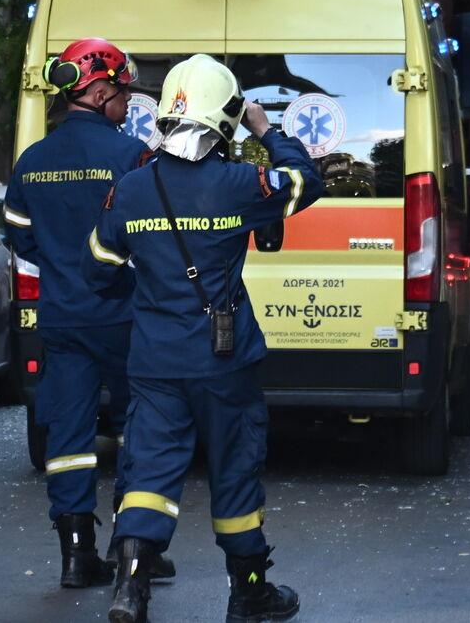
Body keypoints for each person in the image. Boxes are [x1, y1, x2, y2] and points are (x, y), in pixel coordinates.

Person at [83, 54, 322, 623]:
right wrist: (268, 131)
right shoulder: (241, 183)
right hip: (223, 361)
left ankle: (130, 589)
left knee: (147, 473)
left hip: (154, 359)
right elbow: (304, 181)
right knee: (235, 470)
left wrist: (150, 291)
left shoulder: (131, 189)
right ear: (225, 119)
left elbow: (99, 263)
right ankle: (250, 594)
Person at [3, 37, 172, 590]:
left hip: (63, 318)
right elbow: (152, 233)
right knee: (138, 430)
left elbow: (19, 239)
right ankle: (134, 550)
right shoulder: (131, 155)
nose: (128, 104)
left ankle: (77, 554)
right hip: (127, 316)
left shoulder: (33, 160)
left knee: (69, 436)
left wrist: (61, 263)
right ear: (97, 92)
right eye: (122, 93)